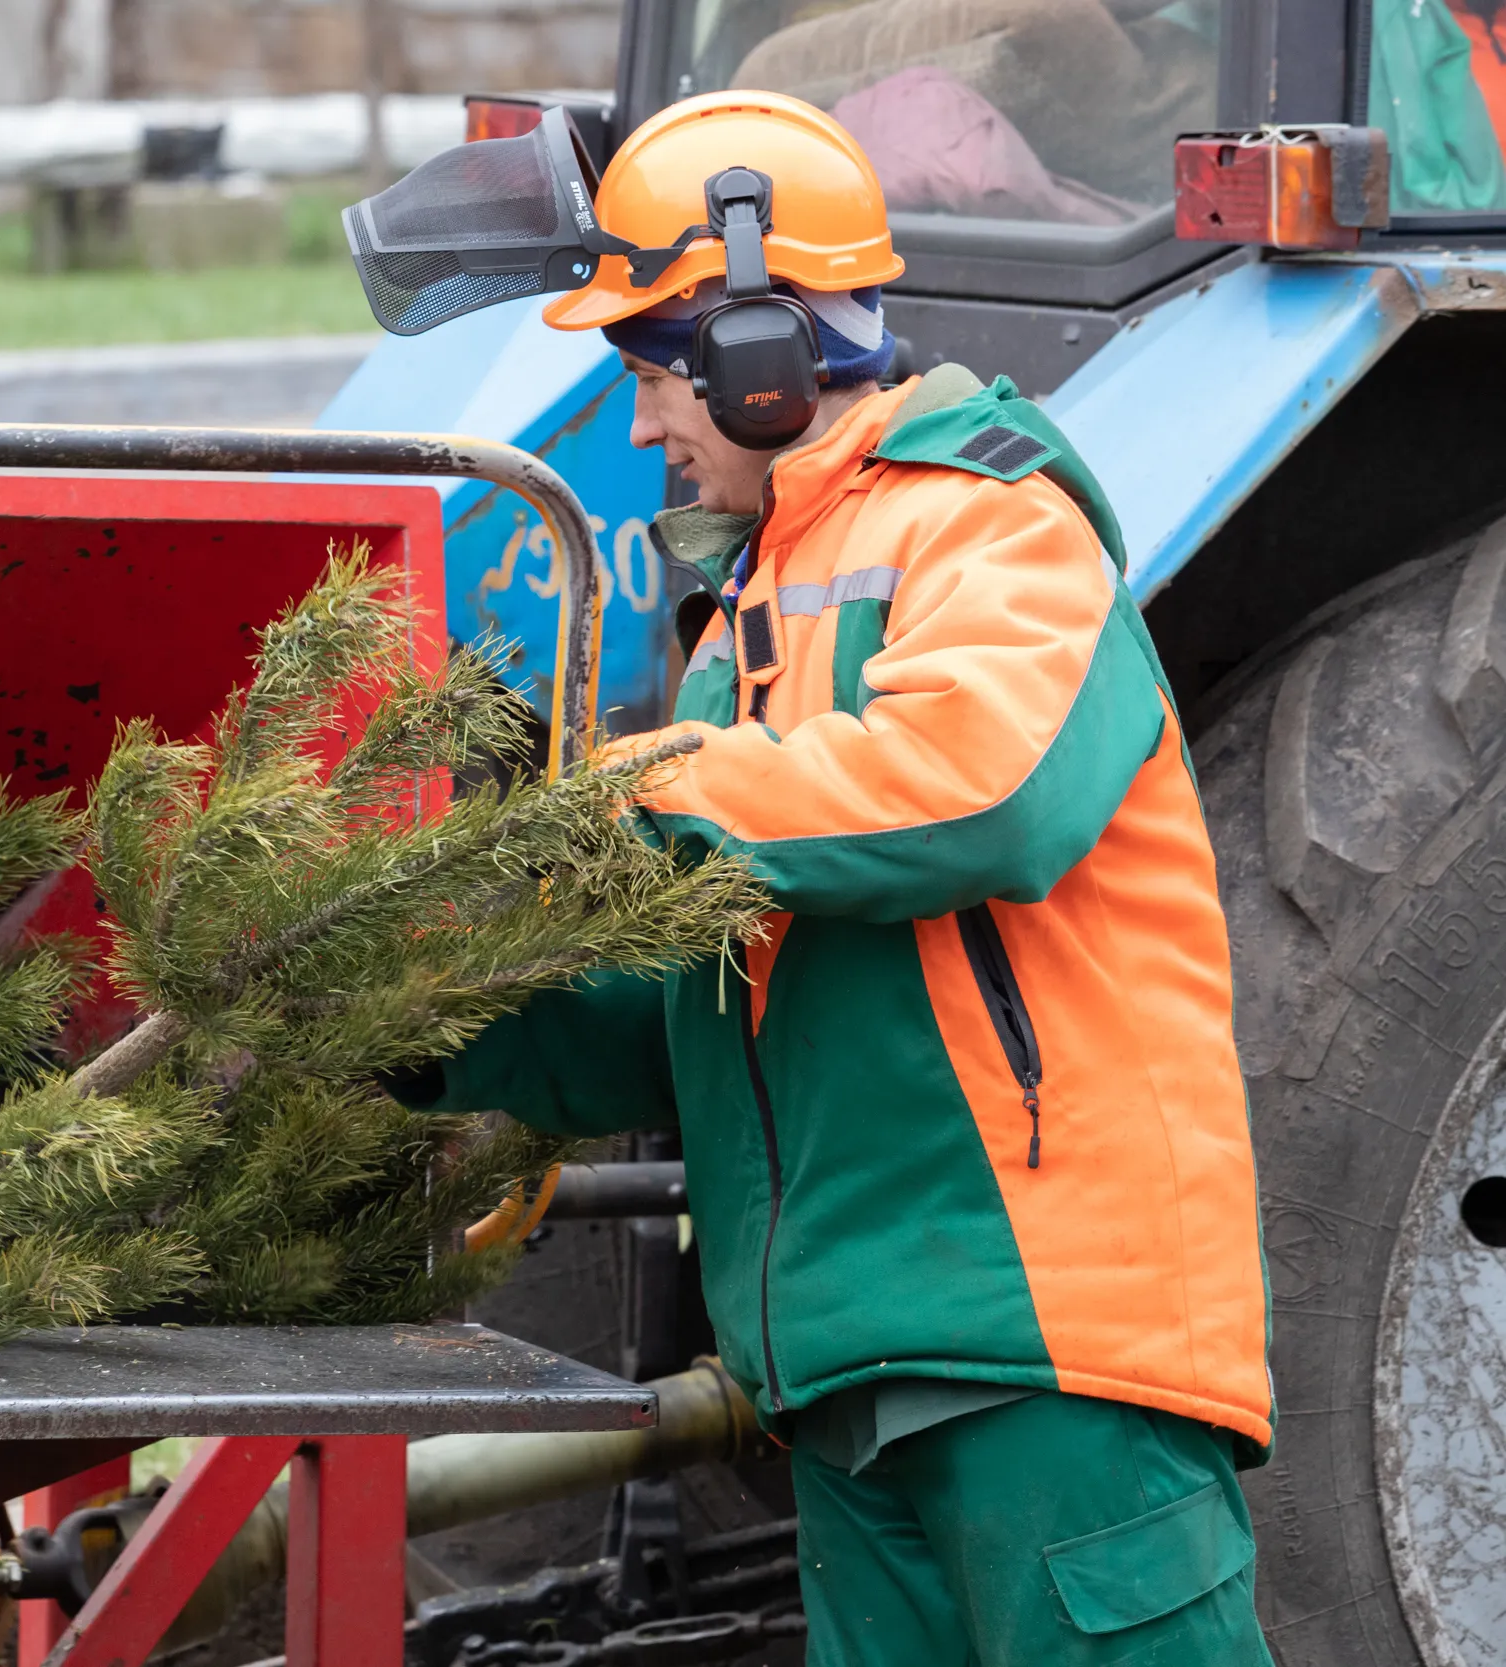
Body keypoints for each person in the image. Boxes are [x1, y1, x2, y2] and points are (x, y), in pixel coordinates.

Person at [384, 93, 1277, 1666]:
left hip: (1042, 1344)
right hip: (852, 1373)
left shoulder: (993, 528)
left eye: (653, 381)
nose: (644, 428)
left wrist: (622, 791)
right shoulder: (747, 618)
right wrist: (434, 1021)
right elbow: (700, 992)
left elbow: (973, 793)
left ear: (762, 354)